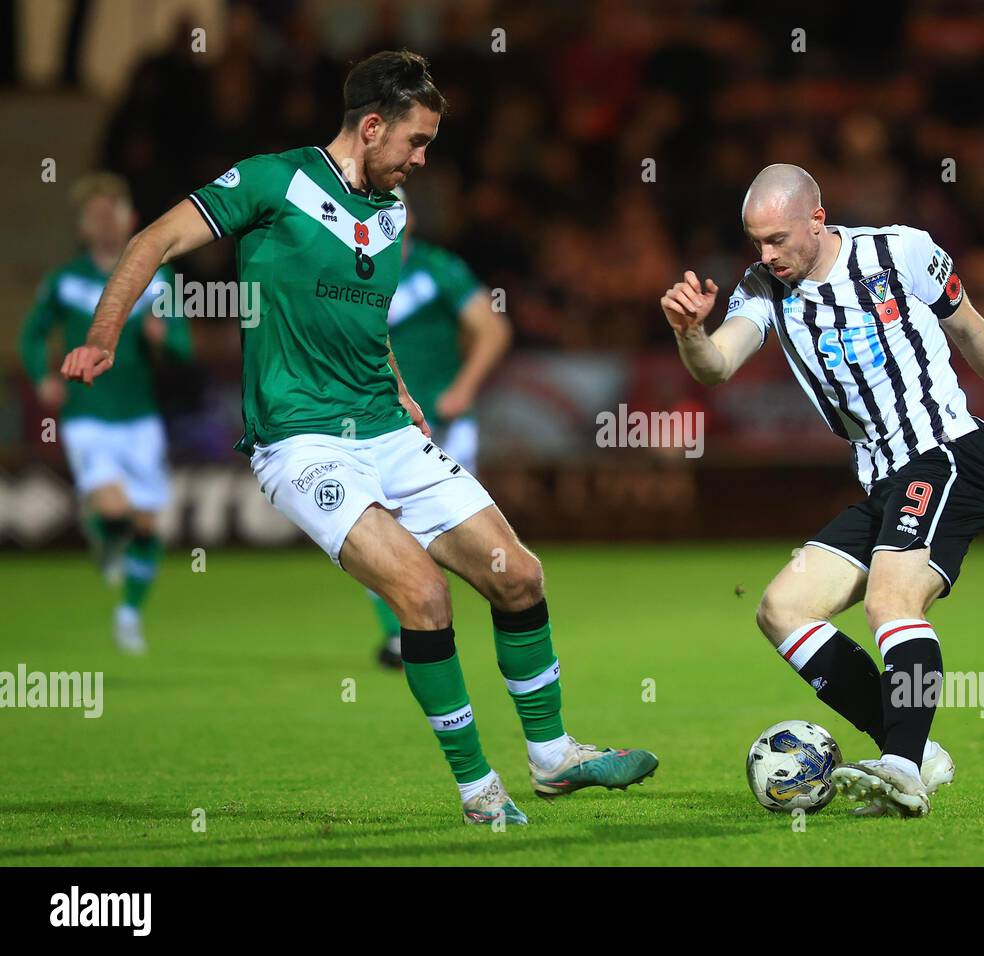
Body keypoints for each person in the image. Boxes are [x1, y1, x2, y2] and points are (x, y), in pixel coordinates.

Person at [61, 50, 656, 827]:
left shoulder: (392, 214)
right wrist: (106, 336)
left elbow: (364, 325)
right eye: (415, 142)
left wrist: (403, 392)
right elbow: (151, 244)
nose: (421, 160)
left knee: (521, 577)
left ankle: (552, 757)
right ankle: (479, 792)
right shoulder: (273, 182)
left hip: (387, 429)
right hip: (301, 444)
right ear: (371, 126)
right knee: (424, 596)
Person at [662, 164, 984, 818]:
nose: (766, 255)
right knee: (781, 610)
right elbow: (717, 365)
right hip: (884, 480)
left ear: (817, 218)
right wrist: (691, 333)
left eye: (778, 239)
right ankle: (910, 754)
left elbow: (971, 329)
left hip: (945, 454)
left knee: (892, 602)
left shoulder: (901, 252)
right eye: (756, 241)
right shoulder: (761, 287)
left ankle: (901, 768)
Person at [21, 172, 190, 654]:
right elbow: (32, 335)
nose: (102, 221)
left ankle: (129, 613)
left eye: (110, 211)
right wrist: (41, 376)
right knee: (116, 508)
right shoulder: (65, 280)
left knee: (146, 524)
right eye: (93, 214)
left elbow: (182, 344)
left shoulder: (158, 278)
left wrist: (166, 338)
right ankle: (103, 526)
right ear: (83, 226)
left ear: (130, 219)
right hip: (88, 413)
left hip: (140, 416)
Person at [368, 185, 512, 669]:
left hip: (443, 424)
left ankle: (446, 617)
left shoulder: (437, 268)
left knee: (450, 528)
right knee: (375, 525)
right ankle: (400, 634)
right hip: (377, 421)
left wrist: (464, 388)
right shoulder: (354, 270)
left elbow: (493, 329)